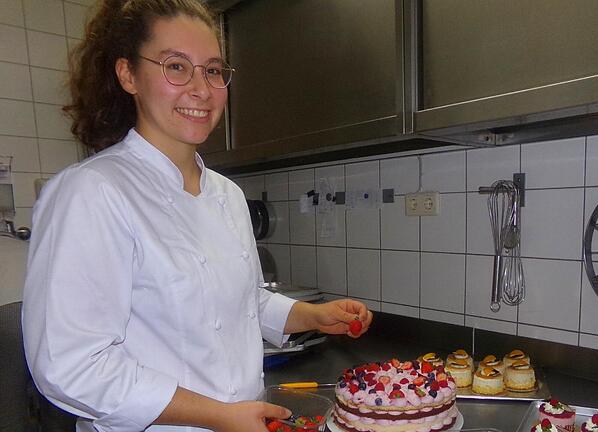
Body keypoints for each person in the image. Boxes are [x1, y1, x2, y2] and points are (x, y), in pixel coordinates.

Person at [21, 0, 373, 431]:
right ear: (128, 74)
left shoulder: (227, 193)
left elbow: (240, 300)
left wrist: (309, 316)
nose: (201, 89)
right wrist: (219, 417)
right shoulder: (91, 192)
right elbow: (69, 364)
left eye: (212, 70)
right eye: (175, 67)